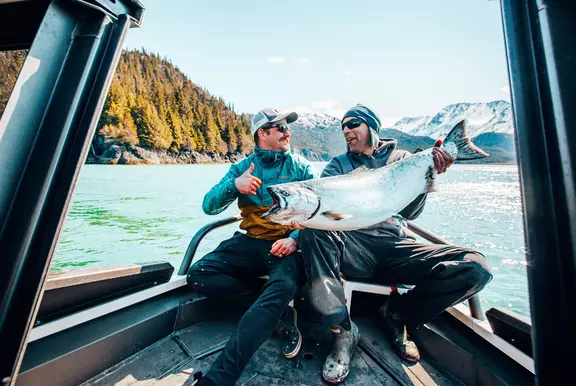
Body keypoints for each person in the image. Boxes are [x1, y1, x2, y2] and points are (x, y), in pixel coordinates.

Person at [299, 104, 493, 384]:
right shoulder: (337, 166)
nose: (347, 131)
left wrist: (429, 174)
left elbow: (411, 214)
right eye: (343, 127)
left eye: (353, 124)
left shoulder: (404, 159)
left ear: (371, 127)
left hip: (397, 248)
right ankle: (342, 330)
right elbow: (326, 213)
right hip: (353, 247)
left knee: (476, 268)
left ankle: (398, 316)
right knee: (313, 229)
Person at [187, 108, 317, 386]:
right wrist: (235, 185)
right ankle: (280, 315)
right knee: (198, 274)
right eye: (280, 128)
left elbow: (317, 212)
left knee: (282, 286)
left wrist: (294, 237)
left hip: (285, 245)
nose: (287, 132)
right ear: (263, 133)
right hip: (249, 242)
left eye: (286, 127)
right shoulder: (241, 168)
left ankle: (218, 380)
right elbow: (209, 205)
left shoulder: (301, 167)